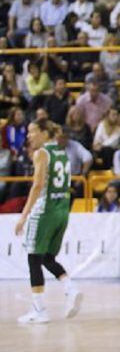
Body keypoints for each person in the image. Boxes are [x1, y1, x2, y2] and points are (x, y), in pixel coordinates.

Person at [12, 119, 82, 324]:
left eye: (32, 132)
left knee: (34, 257)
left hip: (44, 211)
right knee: (47, 257)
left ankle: (39, 309)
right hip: (62, 211)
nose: (28, 136)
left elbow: (37, 185)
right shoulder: (62, 152)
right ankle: (71, 288)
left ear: (44, 133)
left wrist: (24, 216)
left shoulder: (42, 153)